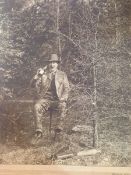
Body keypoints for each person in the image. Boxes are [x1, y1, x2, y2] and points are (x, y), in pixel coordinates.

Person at [30, 54, 70, 140]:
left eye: (54, 63)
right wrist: (37, 76)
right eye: (50, 63)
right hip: (45, 100)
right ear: (48, 64)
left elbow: (67, 88)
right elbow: (32, 85)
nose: (52, 65)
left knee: (63, 106)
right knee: (36, 106)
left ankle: (58, 131)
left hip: (57, 100)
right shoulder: (43, 74)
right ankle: (39, 131)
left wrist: (64, 98)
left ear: (57, 64)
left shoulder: (62, 74)